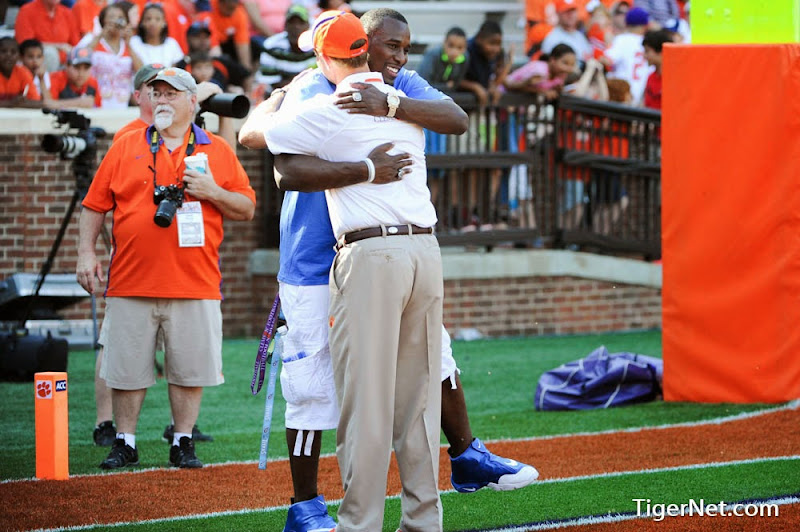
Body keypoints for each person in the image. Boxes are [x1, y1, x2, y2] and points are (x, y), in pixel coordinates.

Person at [239, 8, 538, 531]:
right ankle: (318, 506)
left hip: (373, 254)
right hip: (344, 255)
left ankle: (443, 468)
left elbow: (265, 149)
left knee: (399, 384)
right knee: (346, 391)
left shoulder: (368, 90)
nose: (399, 58)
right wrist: (374, 148)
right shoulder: (339, 91)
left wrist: (271, 107)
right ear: (364, 48)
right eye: (388, 48)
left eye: (403, 48)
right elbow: (268, 149)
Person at [262, 11, 445, 530]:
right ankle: (423, 523)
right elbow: (458, 116)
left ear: (325, 57)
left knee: (364, 405)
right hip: (425, 253)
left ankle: (360, 525)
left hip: (370, 257)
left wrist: (279, 98)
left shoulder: (331, 101)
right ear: (368, 50)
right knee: (418, 405)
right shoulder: (405, 96)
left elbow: (278, 159)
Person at [76, 67, 256, 469]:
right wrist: (86, 253)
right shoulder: (125, 145)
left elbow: (247, 207)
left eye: (172, 94)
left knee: (189, 369)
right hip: (130, 281)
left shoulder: (217, 150)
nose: (161, 100)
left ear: (193, 103)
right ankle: (125, 440)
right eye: (156, 92)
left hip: (196, 282)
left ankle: (183, 440)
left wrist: (212, 192)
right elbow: (94, 204)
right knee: (125, 369)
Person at [78, 3, 144, 108]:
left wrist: (128, 44)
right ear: (103, 20)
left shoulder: (131, 44)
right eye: (111, 17)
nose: (116, 21)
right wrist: (100, 36)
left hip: (122, 106)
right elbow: (79, 59)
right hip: (95, 105)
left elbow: (142, 72)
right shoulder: (91, 39)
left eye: (120, 17)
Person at [256, 4, 316, 92]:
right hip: (278, 95)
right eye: (292, 22)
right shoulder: (272, 46)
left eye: (301, 23)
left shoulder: (316, 46)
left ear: (308, 26)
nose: (296, 27)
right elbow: (269, 82)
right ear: (285, 25)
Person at [601, 6, 651, 106]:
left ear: (627, 23)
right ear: (645, 25)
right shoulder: (649, 43)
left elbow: (607, 60)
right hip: (642, 95)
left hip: (621, 95)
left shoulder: (622, 39)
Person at [13, 0, 81, 71]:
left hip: (67, 65)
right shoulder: (27, 11)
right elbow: (26, 44)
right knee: (50, 53)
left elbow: (75, 44)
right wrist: (59, 46)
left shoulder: (67, 13)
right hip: (38, 66)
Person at [504, 42, 577, 100]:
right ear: (553, 60)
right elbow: (515, 85)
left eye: (572, 65)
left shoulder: (559, 76)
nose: (569, 68)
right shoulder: (540, 70)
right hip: (504, 95)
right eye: (565, 63)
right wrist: (543, 91)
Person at [129, 3, 185, 68]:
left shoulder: (171, 44)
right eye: (148, 19)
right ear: (142, 22)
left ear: (164, 23)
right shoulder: (133, 42)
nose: (152, 23)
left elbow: (175, 71)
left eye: (157, 19)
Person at [541, 0, 593, 65]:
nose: (570, 15)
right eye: (566, 11)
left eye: (572, 11)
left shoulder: (580, 36)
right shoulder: (552, 38)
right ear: (558, 14)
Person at [417, 26, 468, 91]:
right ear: (444, 42)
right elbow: (421, 84)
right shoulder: (432, 55)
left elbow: (456, 83)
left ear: (465, 47)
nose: (454, 52)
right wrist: (445, 86)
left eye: (460, 47)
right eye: (451, 45)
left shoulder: (465, 58)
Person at [0, 37, 41, 107]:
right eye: (3, 51)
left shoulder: (23, 72)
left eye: (13, 52)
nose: (8, 55)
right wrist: (10, 103)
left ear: (19, 57)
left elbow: (36, 101)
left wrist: (23, 102)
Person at [642, 28, 671, 110]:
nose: (644, 56)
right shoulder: (651, 77)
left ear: (661, 51)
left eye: (647, 51)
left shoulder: (674, 79)